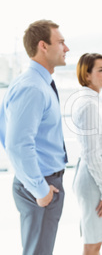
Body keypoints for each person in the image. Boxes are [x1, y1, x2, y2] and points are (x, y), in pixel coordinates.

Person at [0, 20, 69, 255]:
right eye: (60, 42)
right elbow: (18, 145)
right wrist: (41, 191)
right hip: (42, 185)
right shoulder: (32, 87)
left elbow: (7, 134)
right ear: (43, 46)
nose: (66, 48)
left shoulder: (36, 83)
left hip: (43, 182)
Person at [71, 53, 102, 255]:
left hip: (97, 181)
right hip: (94, 184)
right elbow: (91, 153)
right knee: (93, 243)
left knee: (97, 241)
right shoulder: (89, 104)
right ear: (87, 75)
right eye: (101, 70)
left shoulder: (94, 102)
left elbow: (96, 138)